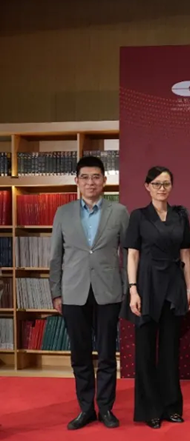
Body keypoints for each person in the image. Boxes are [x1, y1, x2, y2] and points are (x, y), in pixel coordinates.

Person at [49, 156, 129, 430]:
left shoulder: (119, 212)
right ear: (77, 181)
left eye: (96, 177)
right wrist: (56, 292)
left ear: (104, 180)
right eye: (85, 177)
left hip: (109, 291)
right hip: (73, 292)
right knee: (80, 354)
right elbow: (55, 256)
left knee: (106, 354)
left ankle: (105, 408)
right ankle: (86, 409)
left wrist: (128, 288)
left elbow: (128, 253)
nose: (90, 182)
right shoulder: (63, 213)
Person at [122, 166, 190, 429]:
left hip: (173, 285)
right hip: (147, 284)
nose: (162, 188)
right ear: (147, 186)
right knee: (145, 351)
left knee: (170, 350)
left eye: (166, 184)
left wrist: (188, 289)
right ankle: (149, 409)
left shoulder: (180, 216)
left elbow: (185, 254)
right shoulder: (139, 216)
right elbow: (132, 255)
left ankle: (171, 406)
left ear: (172, 186)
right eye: (156, 184)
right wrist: (133, 289)